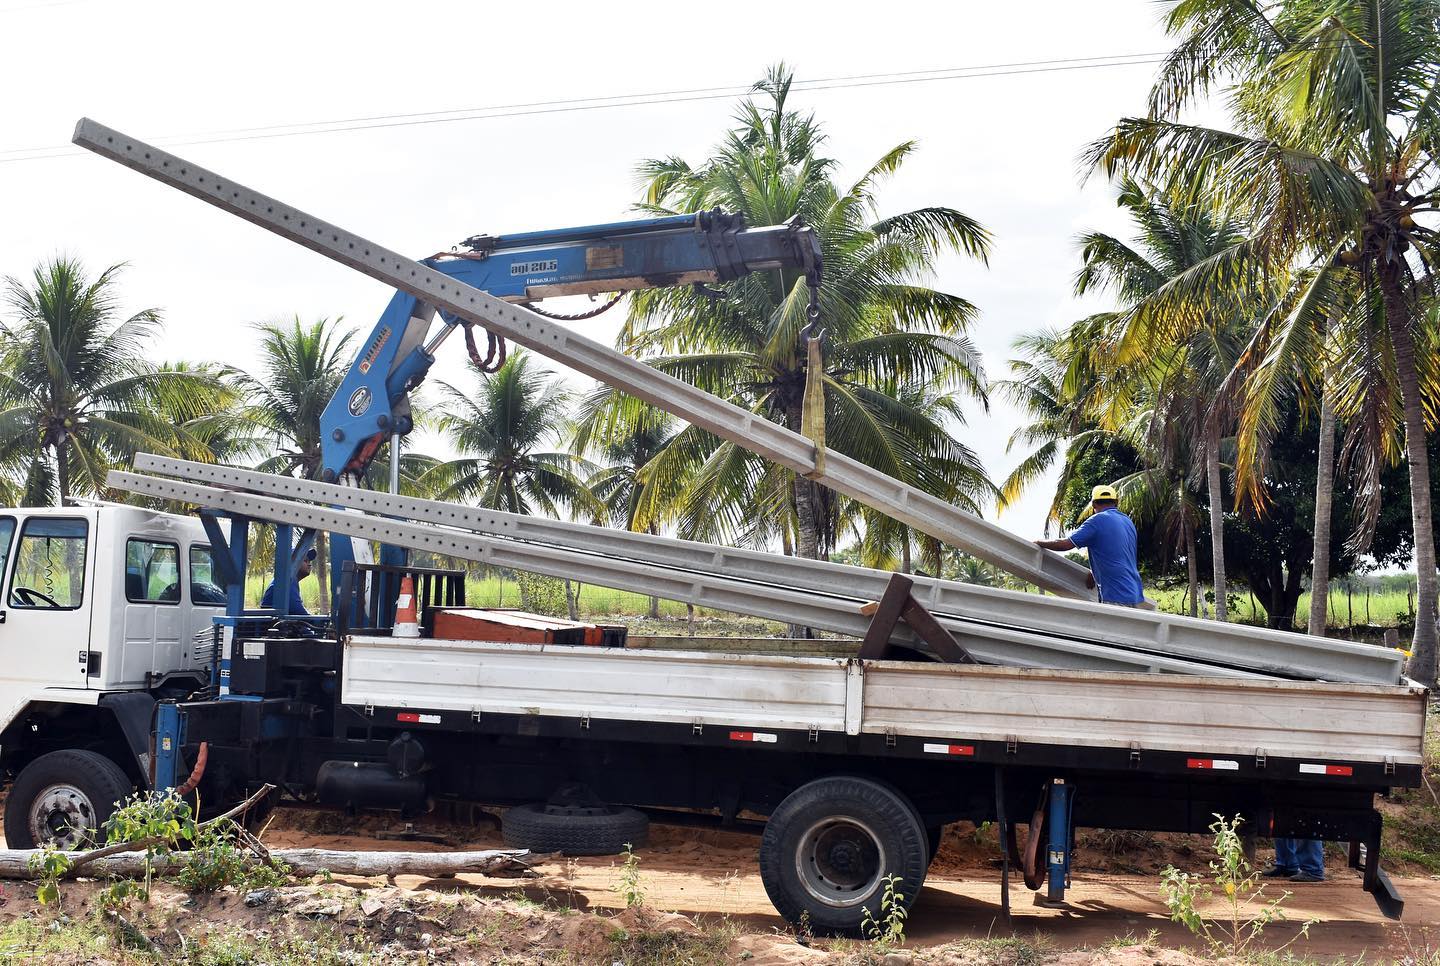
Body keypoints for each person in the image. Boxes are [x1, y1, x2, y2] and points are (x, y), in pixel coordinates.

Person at [1034, 484, 1150, 608]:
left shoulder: (1097, 521)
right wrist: (1093, 570)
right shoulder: (1128, 522)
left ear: (1094, 504)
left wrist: (1038, 542)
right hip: (1134, 591)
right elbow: (1117, 552)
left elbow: (1065, 545)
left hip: (1115, 593)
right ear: (1116, 502)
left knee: (1109, 627)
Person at [261, 547, 316, 616]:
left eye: (309, 561)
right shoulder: (287, 581)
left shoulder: (287, 580)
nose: (309, 564)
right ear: (293, 562)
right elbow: (298, 610)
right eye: (305, 561)